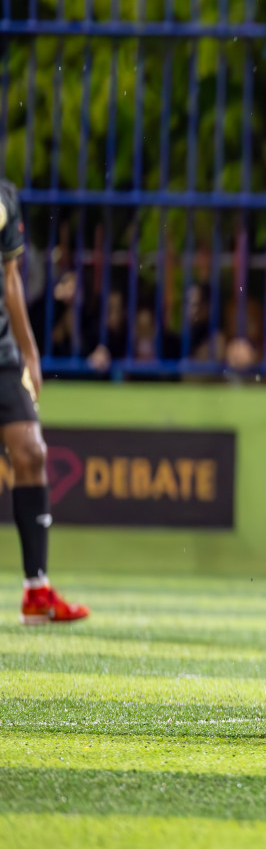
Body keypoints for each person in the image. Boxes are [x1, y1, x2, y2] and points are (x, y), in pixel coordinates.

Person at [0, 182, 89, 624]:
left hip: (0, 353)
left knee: (32, 451)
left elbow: (10, 277)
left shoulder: (4, 195)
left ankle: (37, 590)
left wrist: (29, 352)